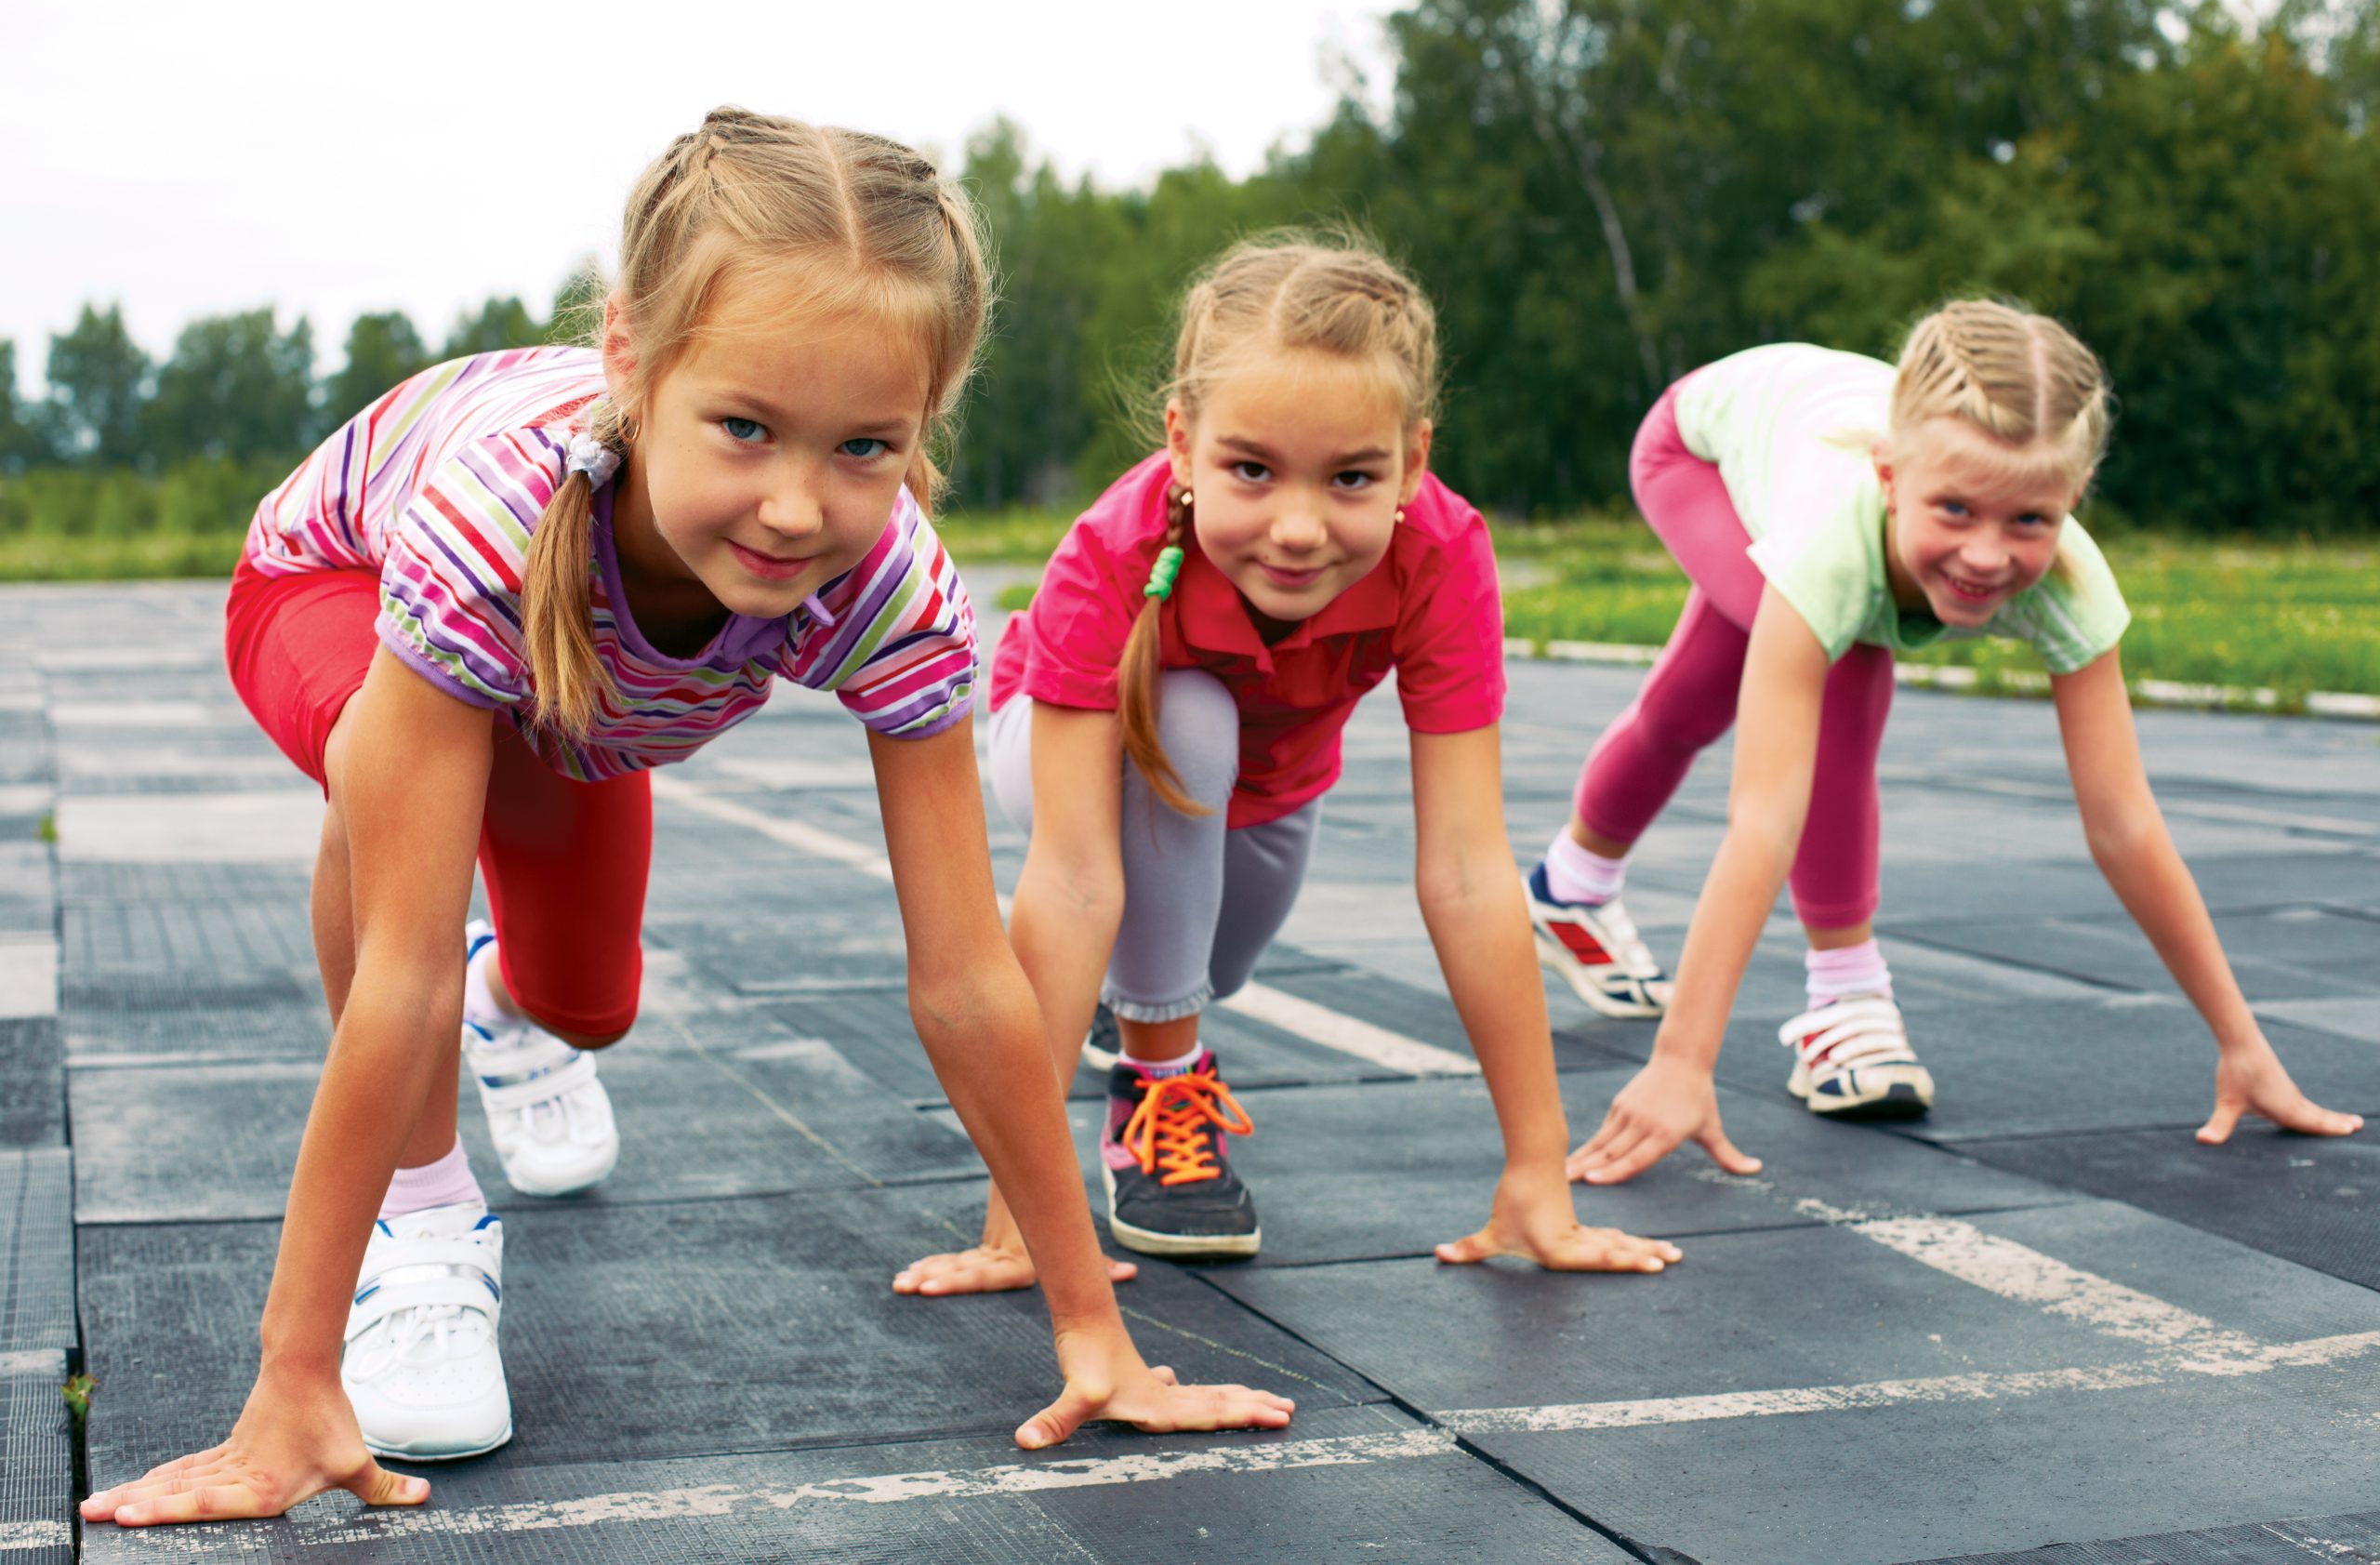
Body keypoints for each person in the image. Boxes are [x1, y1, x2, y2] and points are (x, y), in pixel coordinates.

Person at [80, 108, 1293, 1532]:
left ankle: (511, 1005)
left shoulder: (891, 588)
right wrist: (291, 1377)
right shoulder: (493, 526)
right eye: (742, 428)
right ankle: (426, 1236)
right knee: (389, 801)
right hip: (339, 582)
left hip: (569, 698)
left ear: (924, 425)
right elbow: (391, 973)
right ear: (631, 362)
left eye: (864, 445)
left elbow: (967, 973)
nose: (794, 504)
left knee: (589, 1008)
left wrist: (1095, 1327)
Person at [893, 234, 1682, 1296]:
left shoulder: (1442, 555)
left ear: (1411, 461)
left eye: (1350, 477)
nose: (1299, 528)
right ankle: (1160, 1088)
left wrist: (1539, 1173)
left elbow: (1464, 866)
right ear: (1182, 445)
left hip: (1271, 788)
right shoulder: (1112, 554)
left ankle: (1134, 1006)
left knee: (1198, 967)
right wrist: (1014, 1227)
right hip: (1057, 746)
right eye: (1251, 470)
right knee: (1186, 728)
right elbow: (1075, 880)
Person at [1529, 302, 2364, 1187]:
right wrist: (1682, 1062)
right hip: (1696, 448)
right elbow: (1765, 816)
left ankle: (1570, 888)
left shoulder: (2072, 587)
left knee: (1699, 695)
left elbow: (2125, 824)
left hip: (1803, 435)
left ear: (2073, 500)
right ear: (1889, 476)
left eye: (2029, 521)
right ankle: (1842, 999)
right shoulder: (1829, 541)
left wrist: (2242, 1041)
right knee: (1833, 662)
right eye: (1956, 509)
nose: (1986, 555)